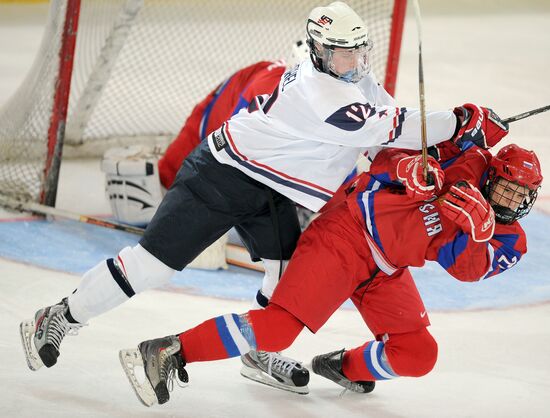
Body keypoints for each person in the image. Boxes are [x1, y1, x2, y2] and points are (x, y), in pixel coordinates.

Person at [19, 1, 508, 395]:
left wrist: (446, 147)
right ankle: (59, 316)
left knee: (285, 274)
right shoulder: (318, 93)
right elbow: (396, 126)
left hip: (275, 192)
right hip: (222, 178)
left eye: (360, 52)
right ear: (317, 52)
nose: (354, 63)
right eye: (342, 54)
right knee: (153, 267)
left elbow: (392, 137)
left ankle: (257, 353)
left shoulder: (357, 82)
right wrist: (466, 120)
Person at [120, 139, 542, 406]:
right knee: (279, 330)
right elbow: (382, 151)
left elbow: (463, 270)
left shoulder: (511, 240)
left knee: (418, 354)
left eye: (521, 195)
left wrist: (480, 233)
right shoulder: (466, 155)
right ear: (491, 175)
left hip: (386, 268)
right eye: (506, 187)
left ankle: (343, 367)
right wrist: (405, 170)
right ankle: (169, 350)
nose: (511, 199)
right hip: (349, 231)